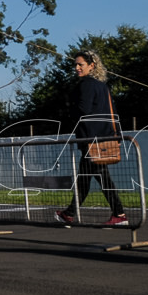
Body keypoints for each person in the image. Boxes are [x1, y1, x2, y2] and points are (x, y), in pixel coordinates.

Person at [56, 49, 128, 227]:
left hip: (91, 139)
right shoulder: (102, 86)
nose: (77, 68)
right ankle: (70, 213)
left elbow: (83, 110)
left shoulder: (86, 85)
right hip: (103, 137)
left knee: (97, 177)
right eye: (76, 64)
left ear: (91, 66)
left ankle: (119, 214)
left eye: (81, 64)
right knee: (88, 177)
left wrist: (68, 107)